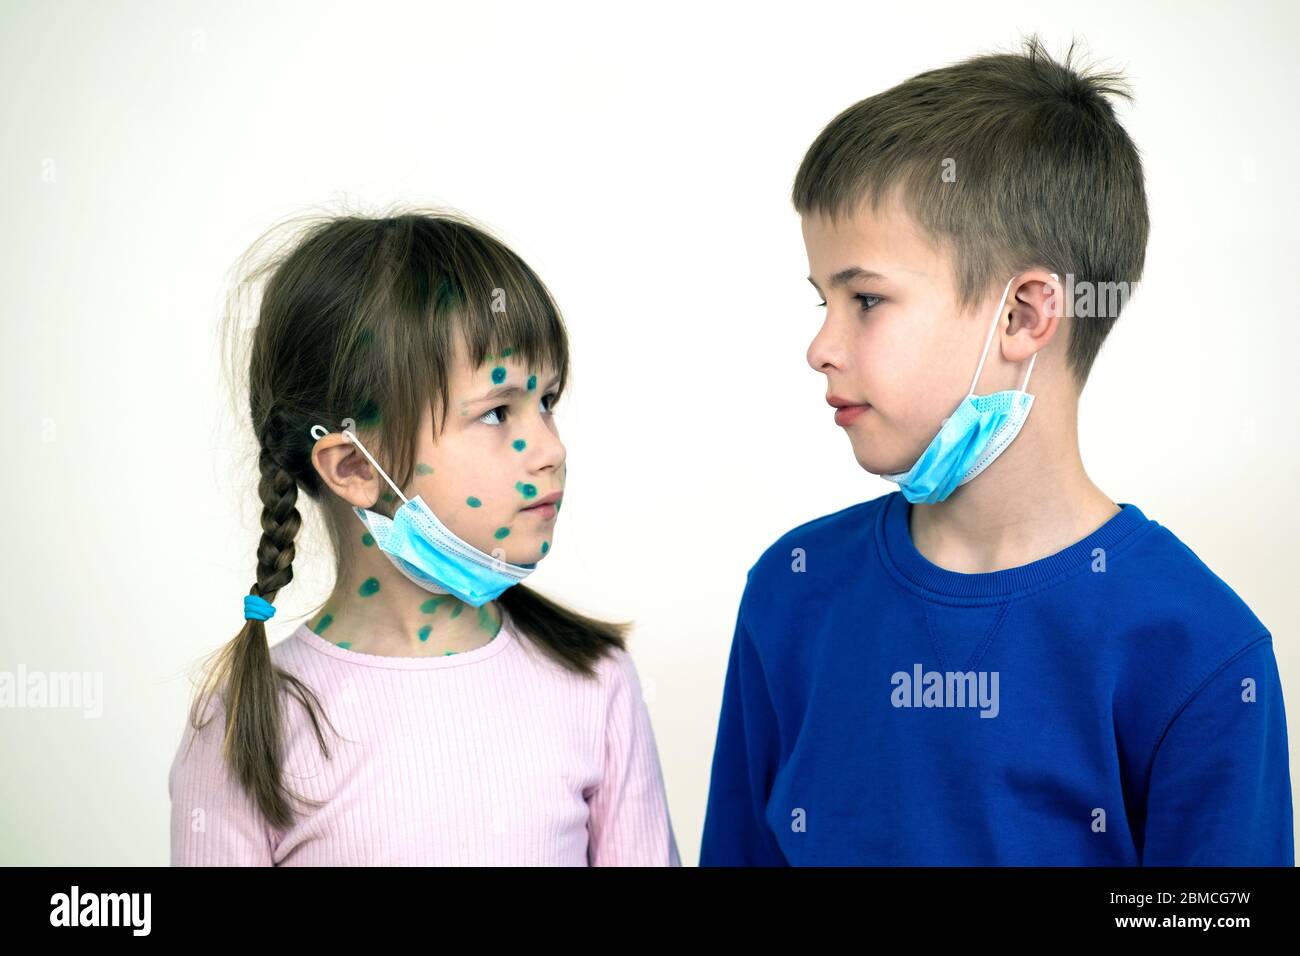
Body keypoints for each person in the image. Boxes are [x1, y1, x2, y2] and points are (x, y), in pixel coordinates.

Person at [700, 36, 1293, 865]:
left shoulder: (1197, 650)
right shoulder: (791, 594)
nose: (821, 347)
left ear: (1022, 316)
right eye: (821, 299)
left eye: (866, 299)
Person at [170, 208, 680, 866]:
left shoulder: (593, 679)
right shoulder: (246, 725)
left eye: (547, 400)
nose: (550, 448)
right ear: (355, 467)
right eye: (498, 411)